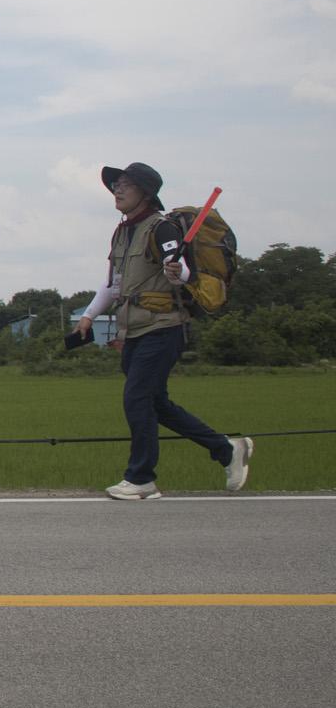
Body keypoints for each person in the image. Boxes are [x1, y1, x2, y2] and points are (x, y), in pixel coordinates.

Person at [73, 162, 251, 500]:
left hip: (163, 328)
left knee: (137, 398)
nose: (118, 190)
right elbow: (114, 284)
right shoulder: (123, 231)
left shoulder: (162, 229)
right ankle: (227, 450)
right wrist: (88, 316)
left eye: (126, 184)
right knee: (156, 403)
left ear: (146, 193)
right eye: (117, 184)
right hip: (134, 332)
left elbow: (182, 271)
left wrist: (178, 274)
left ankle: (141, 478)